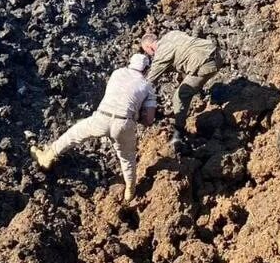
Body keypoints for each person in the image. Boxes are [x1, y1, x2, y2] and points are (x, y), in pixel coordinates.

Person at [31, 52, 156, 203]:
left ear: (130, 64)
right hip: (124, 123)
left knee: (74, 135)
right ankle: (130, 190)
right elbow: (149, 120)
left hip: (102, 116)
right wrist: (139, 115)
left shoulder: (117, 73)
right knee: (127, 158)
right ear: (146, 69)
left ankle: (47, 157)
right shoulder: (147, 86)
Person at [141, 30, 221, 146]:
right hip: (215, 52)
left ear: (149, 47)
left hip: (206, 64)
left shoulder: (161, 54)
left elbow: (149, 81)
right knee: (183, 73)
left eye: (146, 51)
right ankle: (198, 93)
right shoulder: (172, 34)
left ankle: (178, 134)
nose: (149, 55)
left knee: (179, 96)